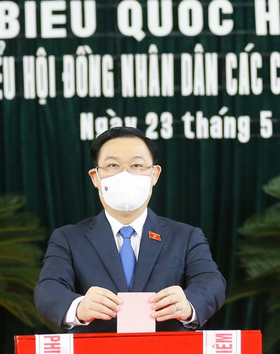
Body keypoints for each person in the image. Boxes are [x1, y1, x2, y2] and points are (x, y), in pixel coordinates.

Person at [34, 126, 226, 333]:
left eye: (137, 165)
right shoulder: (69, 238)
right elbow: (48, 289)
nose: (125, 174)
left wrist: (188, 305)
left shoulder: (185, 236)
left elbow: (211, 282)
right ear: (95, 177)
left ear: (154, 174)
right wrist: (78, 307)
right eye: (113, 165)